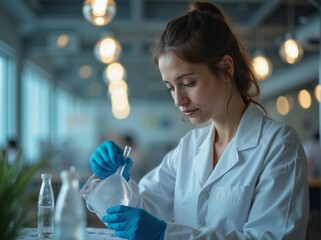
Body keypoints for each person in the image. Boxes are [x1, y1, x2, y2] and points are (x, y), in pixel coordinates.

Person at [89, 1, 309, 239]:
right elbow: (142, 208)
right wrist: (116, 179)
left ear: (225, 68)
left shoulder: (277, 144)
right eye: (170, 88)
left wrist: (167, 234)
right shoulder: (189, 147)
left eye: (188, 83)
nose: (178, 100)